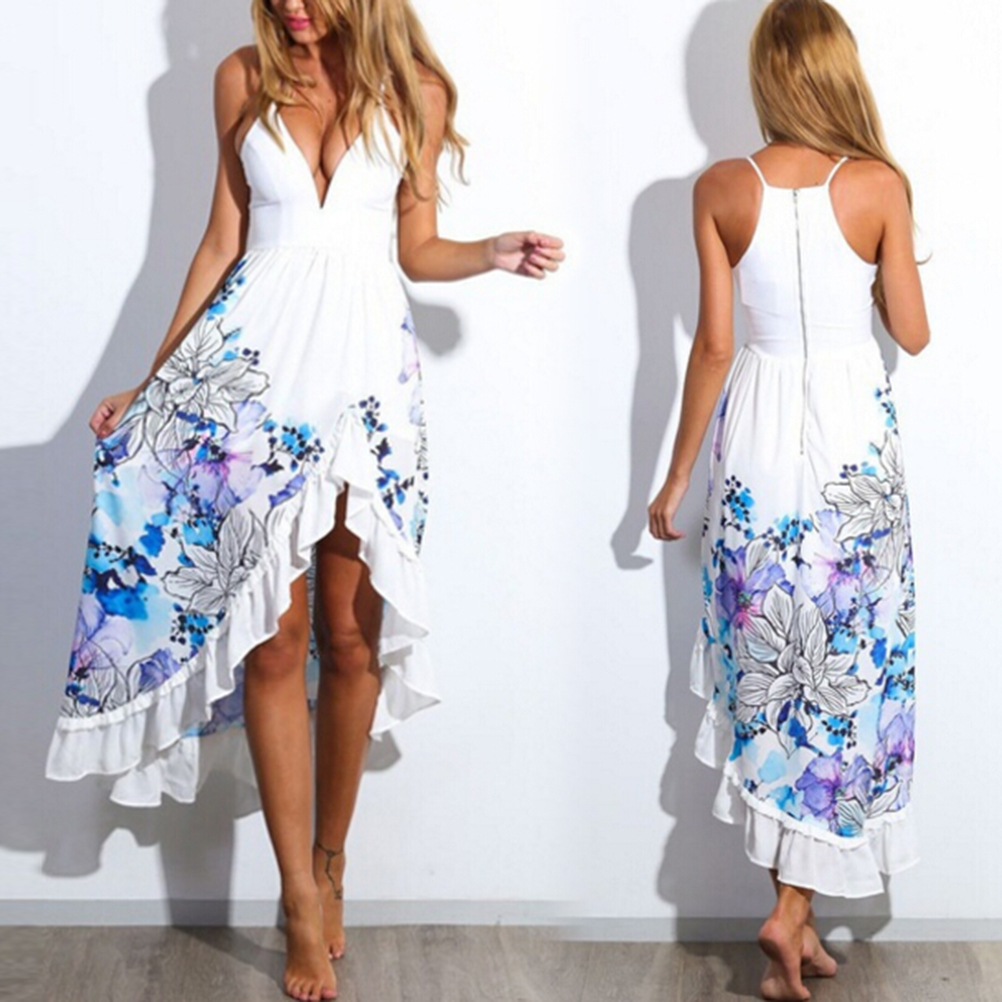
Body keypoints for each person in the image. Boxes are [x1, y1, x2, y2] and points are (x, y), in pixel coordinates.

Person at [45, 1, 564, 998]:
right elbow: (221, 242)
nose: (292, 5)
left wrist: (489, 252)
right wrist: (152, 382)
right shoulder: (241, 78)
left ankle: (331, 862)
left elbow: (416, 248)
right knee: (275, 642)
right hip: (254, 378)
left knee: (352, 636)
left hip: (366, 381)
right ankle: (295, 898)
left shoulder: (417, 90)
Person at [647, 2, 928, 999]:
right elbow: (913, 332)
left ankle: (792, 919)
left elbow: (714, 347)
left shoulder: (722, 188)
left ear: (766, 74)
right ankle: (791, 917)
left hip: (757, 449)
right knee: (848, 671)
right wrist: (893, 260)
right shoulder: (881, 185)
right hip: (855, 458)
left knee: (773, 677)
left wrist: (676, 475)